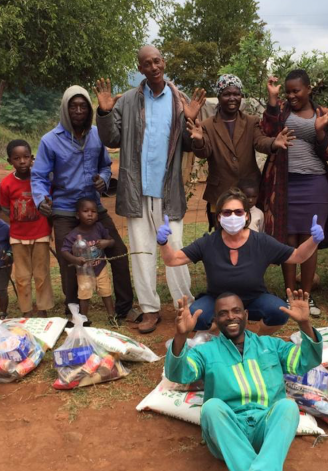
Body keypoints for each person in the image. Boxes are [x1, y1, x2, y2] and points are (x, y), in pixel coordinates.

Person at [95, 45, 206, 333]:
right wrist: (105, 113)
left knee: (176, 250)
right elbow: (113, 138)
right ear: (141, 69)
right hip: (136, 191)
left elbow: (190, 143)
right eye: (147, 63)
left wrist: (191, 119)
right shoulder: (129, 100)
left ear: (163, 62)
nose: (153, 66)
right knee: (143, 251)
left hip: (169, 192)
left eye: (157, 60)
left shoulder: (180, 101)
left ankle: (184, 304)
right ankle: (149, 309)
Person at [165, 289, 322, 471]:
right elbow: (179, 374)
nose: (231, 317)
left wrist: (304, 324)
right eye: (223, 314)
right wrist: (181, 336)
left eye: (236, 311)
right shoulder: (205, 351)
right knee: (211, 407)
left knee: (288, 407)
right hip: (228, 433)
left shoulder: (271, 345)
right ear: (215, 320)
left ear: (246, 315)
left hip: (266, 431)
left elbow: (306, 360)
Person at [32, 85, 135, 323]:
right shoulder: (49, 141)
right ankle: (74, 311)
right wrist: (40, 199)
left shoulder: (98, 135)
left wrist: (104, 179)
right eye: (73, 106)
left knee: (118, 251)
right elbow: (38, 176)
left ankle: (124, 307)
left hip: (93, 208)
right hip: (65, 209)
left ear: (89, 110)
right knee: (68, 258)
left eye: (83, 106)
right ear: (65, 110)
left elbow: (106, 165)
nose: (78, 111)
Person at [158, 188, 324, 335]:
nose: (233, 217)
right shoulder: (208, 242)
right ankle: (218, 335)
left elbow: (297, 256)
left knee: (279, 311)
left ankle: (258, 340)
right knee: (196, 316)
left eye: (238, 212)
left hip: (254, 298)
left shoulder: (262, 242)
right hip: (217, 299)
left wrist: (313, 241)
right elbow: (172, 260)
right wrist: (164, 243)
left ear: (246, 216)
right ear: (219, 217)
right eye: (227, 212)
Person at [260, 70, 328, 317]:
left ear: (308, 89)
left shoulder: (323, 113)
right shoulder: (280, 110)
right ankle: (290, 295)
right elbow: (268, 130)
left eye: (296, 91)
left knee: (309, 240)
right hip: (284, 183)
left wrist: (321, 131)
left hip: (315, 184)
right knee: (288, 239)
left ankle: (307, 296)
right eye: (288, 91)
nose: (291, 96)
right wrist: (272, 99)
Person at [187, 74, 292, 230]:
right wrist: (198, 140)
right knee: (223, 237)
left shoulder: (251, 121)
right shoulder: (207, 125)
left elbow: (260, 142)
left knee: (250, 236)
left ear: (241, 96)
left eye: (236, 94)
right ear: (219, 96)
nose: (232, 98)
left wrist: (273, 143)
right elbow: (204, 151)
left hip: (248, 191)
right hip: (220, 192)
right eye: (227, 94)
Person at [0, 139, 54, 317]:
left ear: (32, 158)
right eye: (16, 158)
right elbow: (6, 208)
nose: (22, 161)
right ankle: (26, 310)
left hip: (40, 234)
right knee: (22, 276)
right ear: (10, 162)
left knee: (42, 273)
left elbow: (49, 204)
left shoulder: (41, 179)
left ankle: (43, 307)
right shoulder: (6, 184)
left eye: (25, 157)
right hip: (17, 236)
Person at [59, 198, 118, 325]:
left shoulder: (99, 228)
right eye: (85, 211)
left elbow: (112, 241)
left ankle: (112, 315)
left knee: (106, 291)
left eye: (94, 211)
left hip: (100, 267)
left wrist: (106, 242)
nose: (90, 214)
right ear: (77, 215)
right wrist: (75, 260)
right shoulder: (74, 234)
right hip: (84, 271)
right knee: (84, 293)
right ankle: (84, 317)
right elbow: (64, 251)